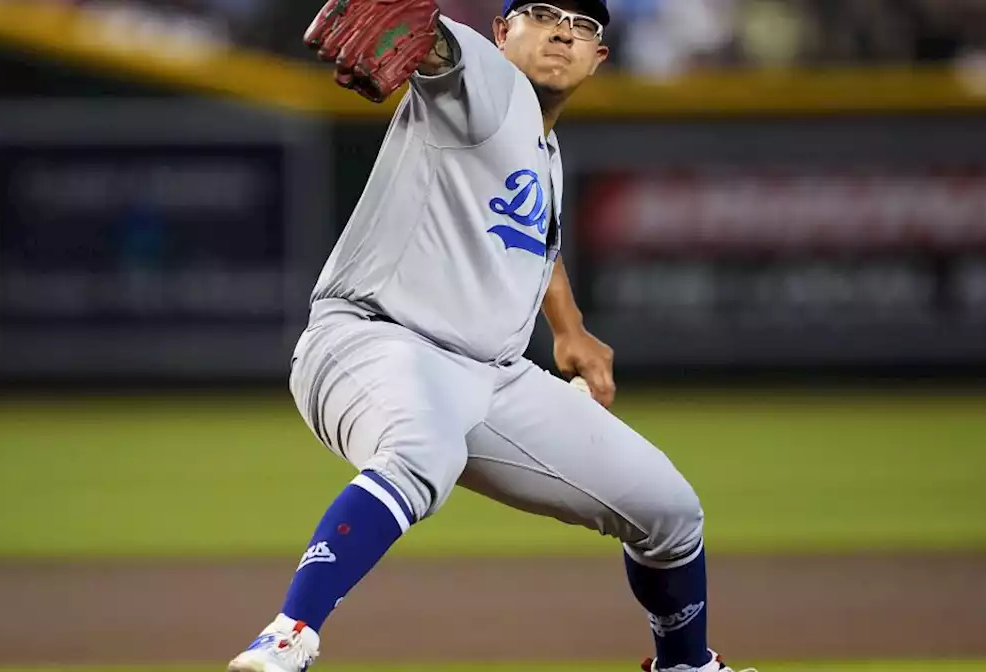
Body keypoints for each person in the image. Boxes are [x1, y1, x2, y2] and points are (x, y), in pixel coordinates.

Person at [226, 2, 754, 671]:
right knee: (421, 450)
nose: (564, 30)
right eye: (541, 13)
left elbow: (537, 246)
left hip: (493, 378)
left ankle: (685, 664)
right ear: (503, 33)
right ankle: (288, 635)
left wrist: (570, 330)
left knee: (669, 509)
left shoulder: (545, 150)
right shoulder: (485, 80)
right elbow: (434, 41)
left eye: (584, 26)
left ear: (599, 58)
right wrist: (428, 35)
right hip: (373, 342)